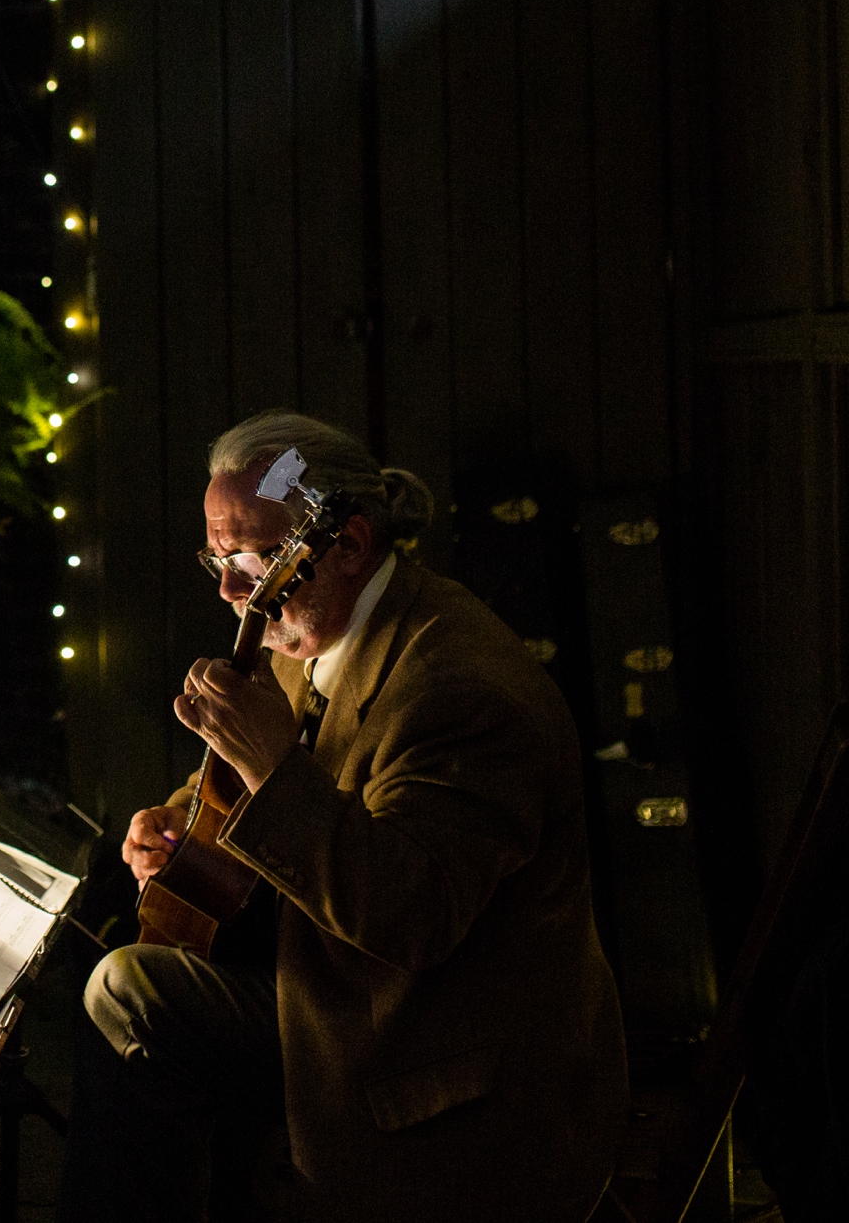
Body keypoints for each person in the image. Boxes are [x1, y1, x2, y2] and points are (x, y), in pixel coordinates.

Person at [69, 412, 627, 1222]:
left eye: (251, 560)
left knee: (130, 996)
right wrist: (178, 824)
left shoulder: (458, 689)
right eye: (216, 559)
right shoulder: (315, 631)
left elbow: (412, 915)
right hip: (340, 999)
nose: (229, 591)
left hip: (444, 1076)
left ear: (349, 545)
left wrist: (269, 762)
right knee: (133, 982)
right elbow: (256, 795)